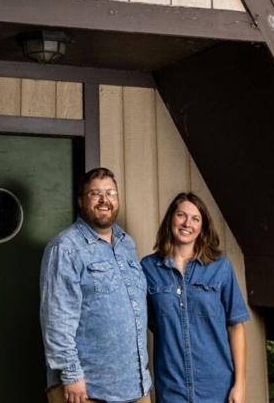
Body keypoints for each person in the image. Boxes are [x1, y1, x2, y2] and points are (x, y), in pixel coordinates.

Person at [40, 167, 151, 403]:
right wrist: (71, 374)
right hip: (87, 390)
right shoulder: (65, 247)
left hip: (135, 387)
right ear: (81, 201)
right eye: (95, 194)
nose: (105, 200)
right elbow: (56, 317)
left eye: (111, 193)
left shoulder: (127, 244)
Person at [141, 192, 249, 403]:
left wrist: (240, 383)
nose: (187, 223)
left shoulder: (221, 268)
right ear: (171, 219)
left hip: (217, 388)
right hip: (172, 388)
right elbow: (149, 322)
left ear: (203, 227)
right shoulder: (148, 268)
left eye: (195, 218)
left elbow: (236, 326)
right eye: (181, 215)